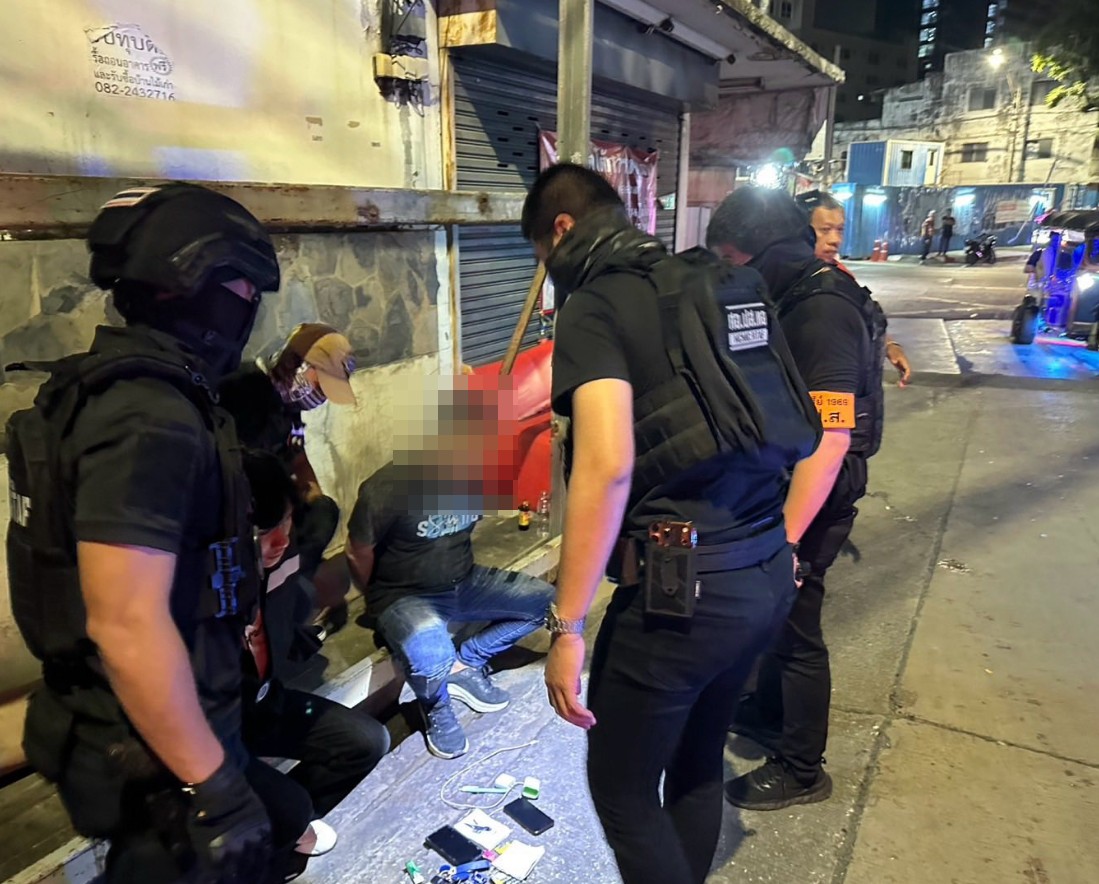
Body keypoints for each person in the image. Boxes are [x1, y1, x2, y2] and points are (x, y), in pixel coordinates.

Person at [521, 164, 821, 884]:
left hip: (681, 597)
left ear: (561, 230)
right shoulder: (710, 280)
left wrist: (567, 627)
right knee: (696, 759)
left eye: (539, 255)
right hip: (763, 568)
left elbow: (605, 468)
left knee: (621, 791)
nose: (544, 271)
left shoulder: (595, 304)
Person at [5, 183, 310, 882]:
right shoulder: (149, 417)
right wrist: (215, 787)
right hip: (156, 759)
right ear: (189, 282)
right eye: (240, 288)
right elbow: (127, 621)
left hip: (155, 735)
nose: (248, 306)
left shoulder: (134, 394)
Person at [707, 185, 888, 811]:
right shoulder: (791, 293)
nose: (729, 275)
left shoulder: (821, 310)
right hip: (789, 483)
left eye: (732, 261)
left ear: (764, 251)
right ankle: (768, 712)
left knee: (795, 624)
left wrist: (785, 540)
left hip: (818, 491)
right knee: (777, 618)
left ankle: (802, 768)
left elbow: (830, 438)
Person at [345, 382, 555, 761]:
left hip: (464, 581)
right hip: (405, 595)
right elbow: (357, 552)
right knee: (432, 655)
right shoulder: (386, 488)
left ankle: (469, 659)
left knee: (551, 602)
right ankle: (436, 705)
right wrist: (378, 601)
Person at [240, 450, 390, 852]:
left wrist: (304, 617)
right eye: (263, 532)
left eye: (286, 523)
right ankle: (275, 827)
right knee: (290, 809)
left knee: (367, 741)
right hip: (211, 732)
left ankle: (274, 832)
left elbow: (311, 509)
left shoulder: (284, 562)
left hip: (264, 703)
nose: (279, 542)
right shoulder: (196, 600)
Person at [219, 323, 358, 636]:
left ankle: (291, 592)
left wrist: (312, 497)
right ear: (297, 364)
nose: (321, 398)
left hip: (274, 516)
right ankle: (279, 603)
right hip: (241, 518)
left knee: (324, 511)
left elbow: (298, 458)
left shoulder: (288, 407)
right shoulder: (241, 390)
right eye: (321, 385)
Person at [799, 190, 912, 386]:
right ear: (801, 231)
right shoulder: (786, 277)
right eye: (825, 230)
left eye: (840, 230)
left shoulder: (840, 273)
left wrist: (889, 345)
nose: (835, 240)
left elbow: (863, 312)